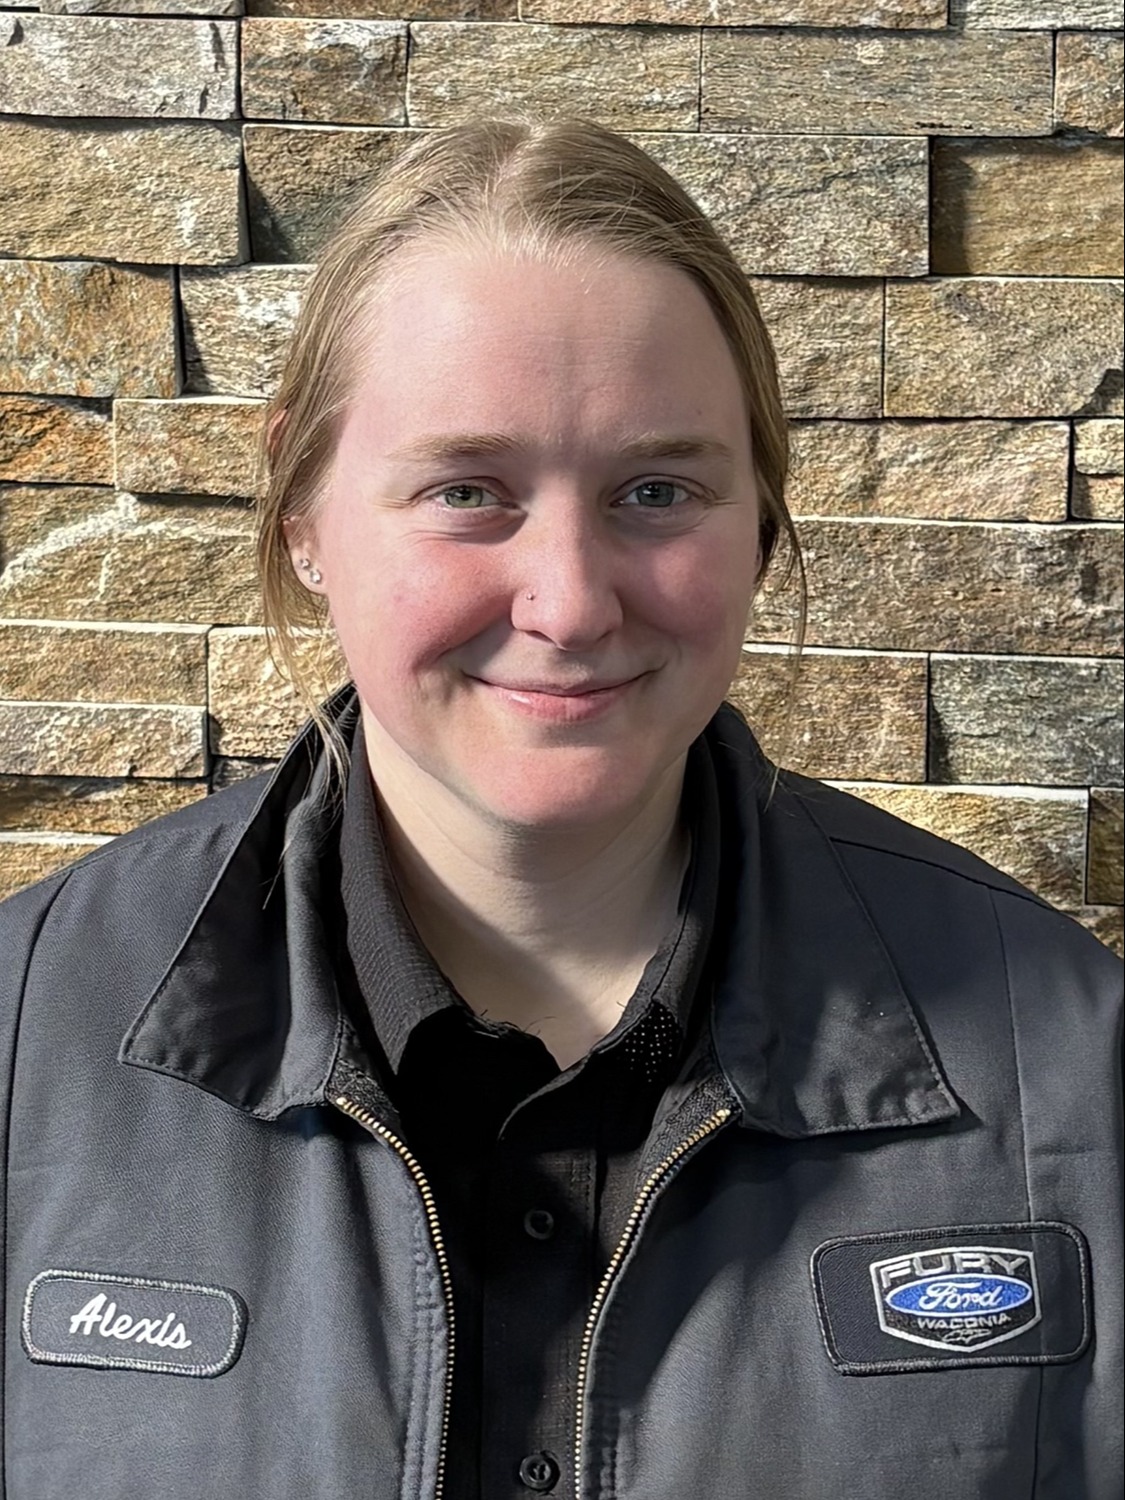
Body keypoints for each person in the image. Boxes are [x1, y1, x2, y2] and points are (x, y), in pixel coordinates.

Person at [0, 118, 1120, 1500]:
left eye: (658, 490)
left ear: (757, 519)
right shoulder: (21, 1045)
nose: (572, 601)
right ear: (303, 508)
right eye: (467, 491)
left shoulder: (1065, 1060)